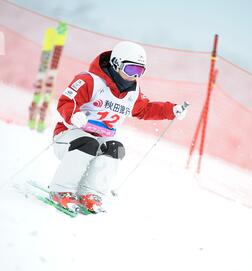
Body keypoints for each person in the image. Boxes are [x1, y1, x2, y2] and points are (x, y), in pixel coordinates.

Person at [49, 40, 190, 213]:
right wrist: (73, 114)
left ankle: (90, 194)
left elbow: (144, 109)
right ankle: (61, 190)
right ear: (116, 63)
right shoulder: (90, 81)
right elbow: (67, 101)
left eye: (140, 71)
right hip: (69, 135)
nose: (134, 76)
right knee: (88, 143)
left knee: (114, 147)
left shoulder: (132, 92)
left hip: (100, 139)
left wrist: (171, 110)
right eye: (130, 69)